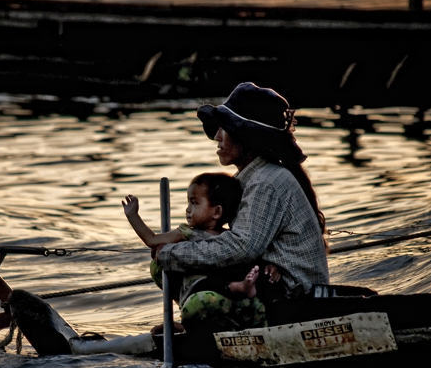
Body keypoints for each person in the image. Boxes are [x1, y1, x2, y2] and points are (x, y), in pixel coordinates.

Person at [152, 82, 330, 332]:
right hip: (262, 282)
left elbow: (241, 248)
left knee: (191, 295)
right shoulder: (249, 179)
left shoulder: (265, 181)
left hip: (290, 297)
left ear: (247, 137)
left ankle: (197, 322)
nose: (217, 137)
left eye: (225, 129)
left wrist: (173, 254)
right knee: (161, 269)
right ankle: (203, 323)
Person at [122, 172, 280, 330]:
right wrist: (132, 215)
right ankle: (188, 318)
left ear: (216, 212)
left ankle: (239, 292)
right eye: (188, 203)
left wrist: (270, 266)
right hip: (197, 289)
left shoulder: (230, 239)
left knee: (239, 272)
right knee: (157, 267)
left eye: (194, 203)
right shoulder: (185, 233)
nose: (188, 209)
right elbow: (152, 240)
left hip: (223, 297)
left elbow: (251, 255)